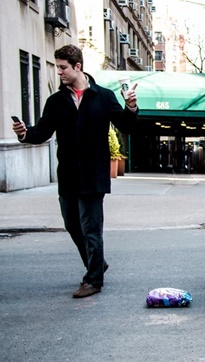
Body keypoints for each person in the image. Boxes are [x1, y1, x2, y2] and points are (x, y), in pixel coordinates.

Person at [11, 44, 141, 298]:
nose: (58, 71)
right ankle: (97, 263)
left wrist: (131, 107)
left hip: (94, 175)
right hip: (68, 175)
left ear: (77, 66)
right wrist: (25, 133)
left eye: (62, 67)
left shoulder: (103, 96)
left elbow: (127, 126)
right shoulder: (56, 101)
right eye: (57, 67)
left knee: (91, 228)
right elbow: (43, 131)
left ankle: (93, 280)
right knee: (73, 225)